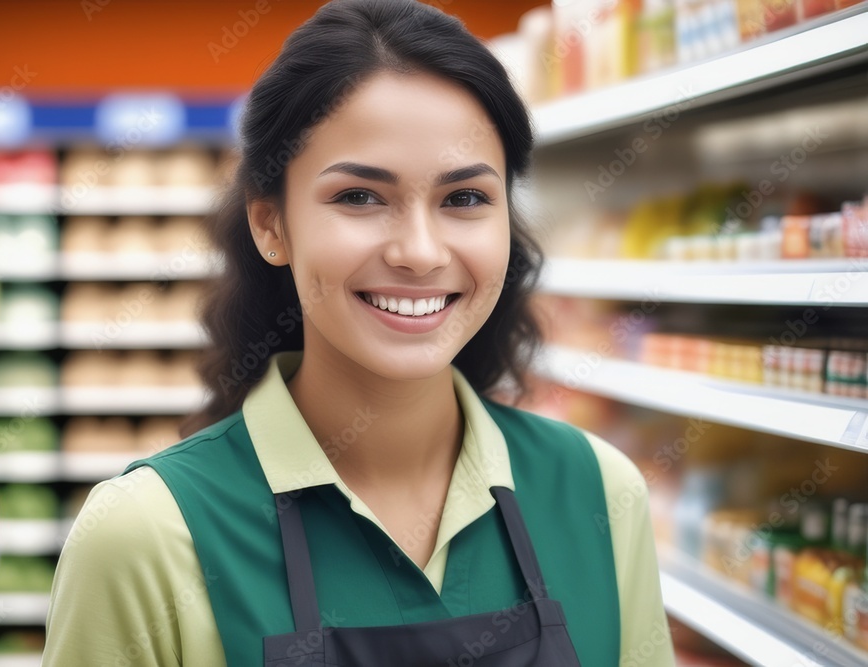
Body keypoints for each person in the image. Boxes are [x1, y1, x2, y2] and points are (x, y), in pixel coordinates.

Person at [43, 1, 674, 665]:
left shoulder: (600, 493)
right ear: (271, 225)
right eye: (360, 197)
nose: (421, 251)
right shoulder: (146, 534)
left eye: (464, 198)